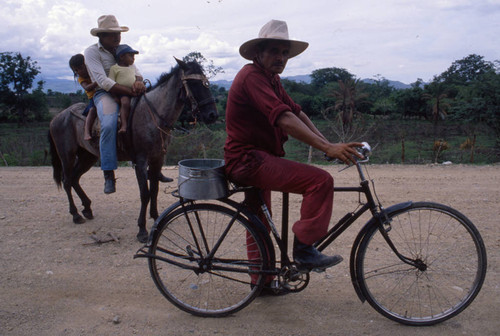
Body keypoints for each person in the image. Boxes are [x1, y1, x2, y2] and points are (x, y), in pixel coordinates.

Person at [224, 20, 363, 293]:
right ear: (258, 54)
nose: (280, 58)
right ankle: (304, 250)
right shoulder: (252, 77)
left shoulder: (271, 79)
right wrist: (327, 149)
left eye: (284, 53)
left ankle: (261, 283)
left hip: (254, 158)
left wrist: (328, 143)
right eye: (274, 51)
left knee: (259, 222)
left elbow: (296, 112)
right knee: (319, 181)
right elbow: (284, 119)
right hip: (248, 160)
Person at [84, 15, 146, 194]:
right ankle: (109, 173)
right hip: (105, 93)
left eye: (118, 34)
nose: (117, 37)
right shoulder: (92, 52)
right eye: (112, 34)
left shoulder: (122, 49)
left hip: (129, 90)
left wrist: (139, 82)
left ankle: (153, 162)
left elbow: (136, 70)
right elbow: (102, 80)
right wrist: (129, 91)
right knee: (109, 124)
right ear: (101, 36)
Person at [108, 44, 140, 134]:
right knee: (125, 103)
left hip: (134, 90)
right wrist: (114, 96)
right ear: (122, 57)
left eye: (134, 56)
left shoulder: (132, 67)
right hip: (123, 92)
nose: (133, 59)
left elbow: (138, 76)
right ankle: (124, 125)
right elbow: (111, 84)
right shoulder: (114, 68)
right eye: (131, 56)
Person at [69, 54, 98, 141]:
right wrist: (98, 81)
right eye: (76, 70)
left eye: (81, 68)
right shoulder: (81, 79)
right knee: (92, 110)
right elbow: (87, 87)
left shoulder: (94, 72)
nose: (79, 71)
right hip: (94, 97)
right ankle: (87, 131)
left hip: (104, 93)